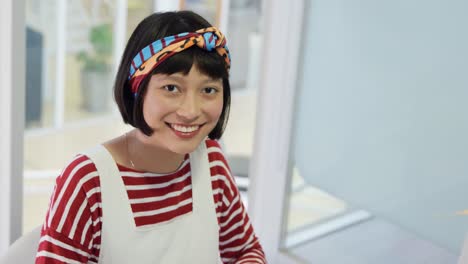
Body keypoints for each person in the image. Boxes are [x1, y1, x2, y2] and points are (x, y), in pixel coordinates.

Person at [35, 10, 266, 264]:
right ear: (137, 90)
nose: (190, 111)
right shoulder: (87, 182)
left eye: (209, 89)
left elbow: (246, 250)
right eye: (171, 88)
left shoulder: (212, 161)